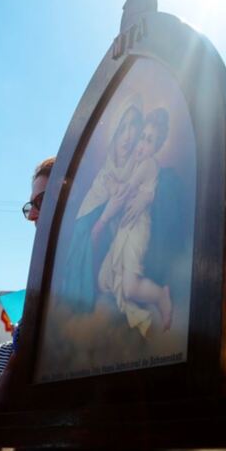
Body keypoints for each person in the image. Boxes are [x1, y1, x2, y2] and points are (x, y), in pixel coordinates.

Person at [96, 107, 174, 335]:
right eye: (142, 137)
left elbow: (125, 192)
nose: (142, 145)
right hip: (125, 229)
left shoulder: (148, 164)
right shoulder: (137, 164)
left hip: (137, 231)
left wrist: (113, 186)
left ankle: (161, 296)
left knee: (129, 289)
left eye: (149, 141)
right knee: (104, 281)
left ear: (156, 147)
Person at [59, 104, 143, 313]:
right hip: (100, 289)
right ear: (113, 136)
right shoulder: (102, 183)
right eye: (122, 128)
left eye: (133, 126)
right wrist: (106, 216)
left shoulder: (147, 171)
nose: (128, 135)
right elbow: (79, 248)